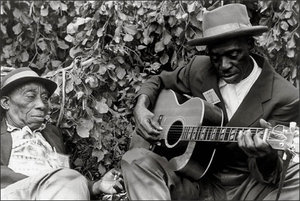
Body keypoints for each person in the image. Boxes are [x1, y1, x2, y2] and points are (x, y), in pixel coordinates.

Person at [121, 3, 299, 200]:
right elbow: (158, 80)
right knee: (134, 159)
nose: (223, 66)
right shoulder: (199, 69)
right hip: (193, 180)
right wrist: (141, 107)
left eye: (233, 55)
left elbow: (274, 175)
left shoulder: (284, 97)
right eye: (215, 57)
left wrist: (265, 156)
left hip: (246, 189)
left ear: (250, 44)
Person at [0, 67, 124, 200]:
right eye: (30, 96)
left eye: (45, 98)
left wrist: (96, 186)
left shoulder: (52, 134)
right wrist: (47, 183)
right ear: (6, 103)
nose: (41, 105)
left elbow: (68, 180)